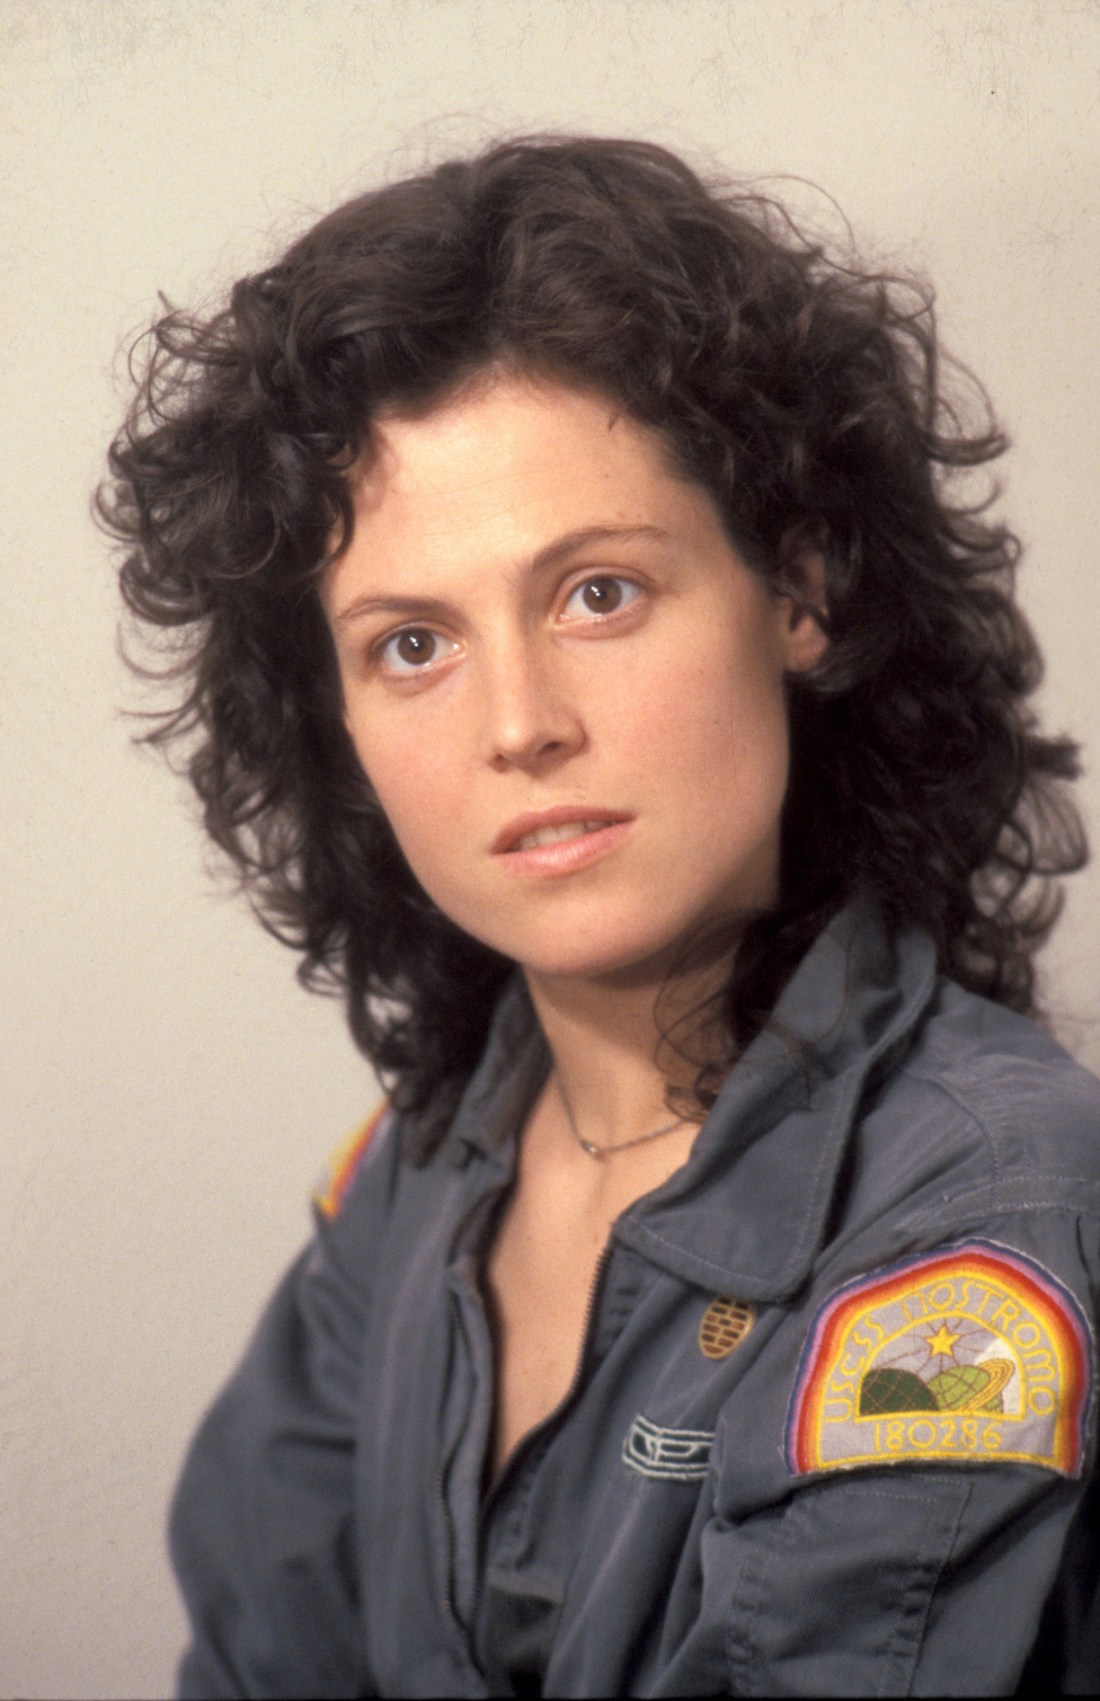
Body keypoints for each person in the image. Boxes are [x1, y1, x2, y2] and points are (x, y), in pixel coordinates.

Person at [98, 135, 1100, 1697]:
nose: (520, 724)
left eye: (598, 593)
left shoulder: (981, 1208)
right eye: (412, 642)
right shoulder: (417, 1171)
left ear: (801, 590)